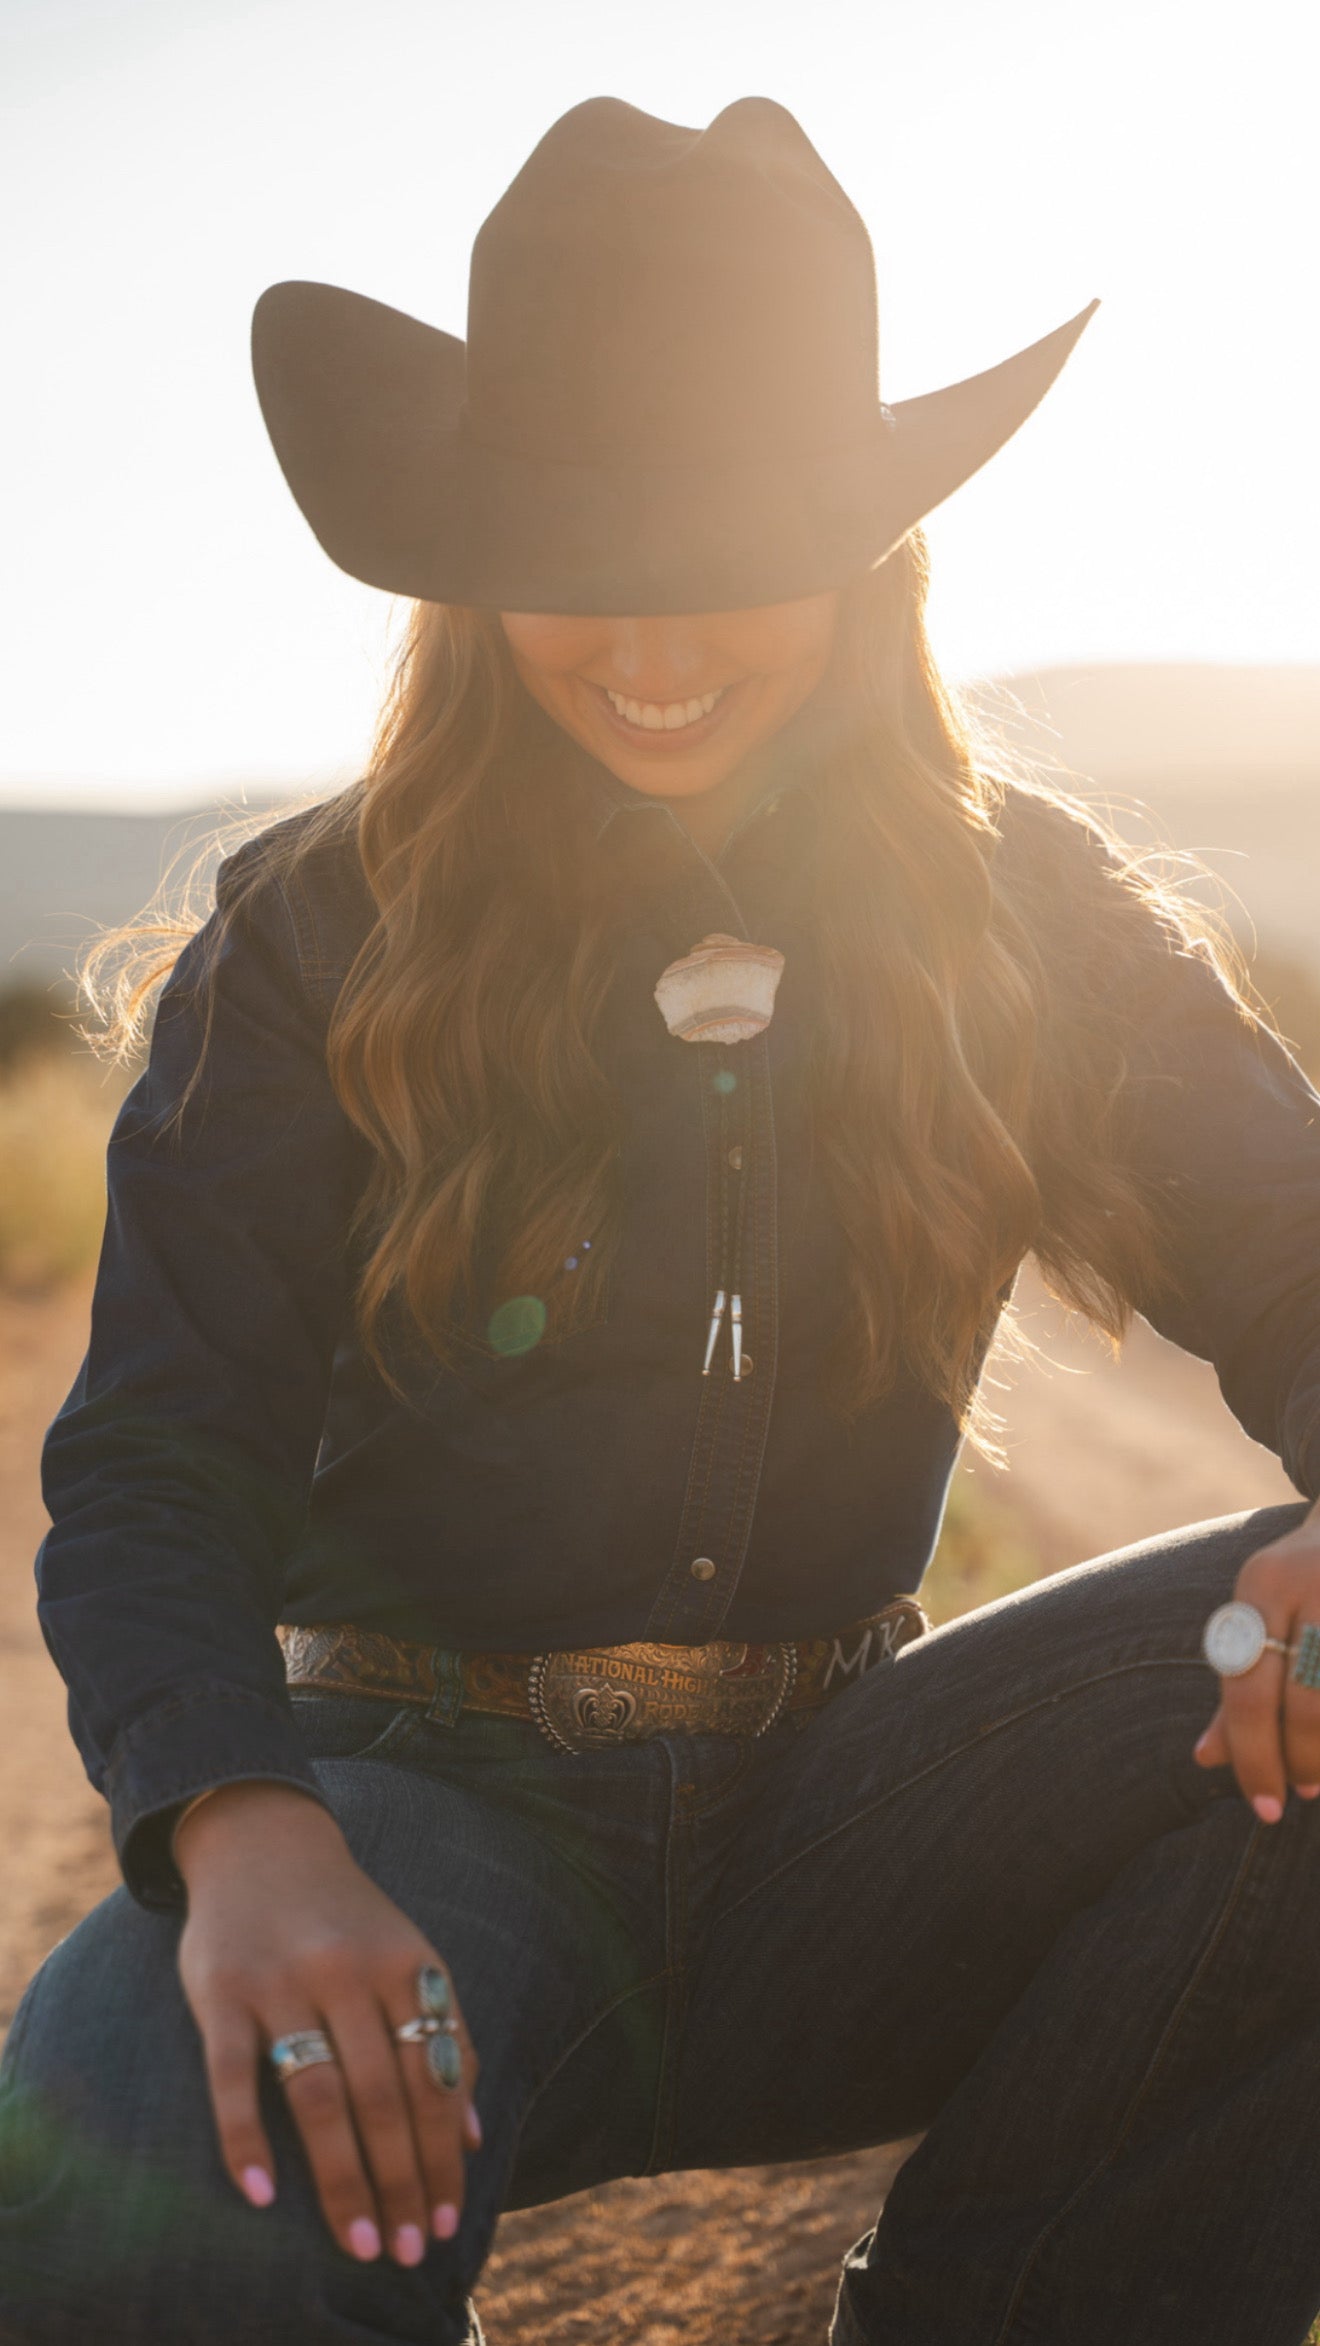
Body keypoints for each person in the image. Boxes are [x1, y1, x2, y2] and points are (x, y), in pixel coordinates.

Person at [2, 94, 1320, 2346]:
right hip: (428, 1830)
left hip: (858, 1830)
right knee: (131, 2153)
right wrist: (239, 1826)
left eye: (727, 544)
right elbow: (152, 1460)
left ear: (865, 549)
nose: (650, 639)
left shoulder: (1029, 913)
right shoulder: (318, 935)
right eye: (572, 552)